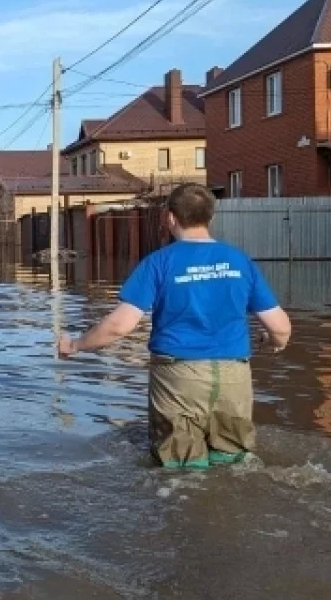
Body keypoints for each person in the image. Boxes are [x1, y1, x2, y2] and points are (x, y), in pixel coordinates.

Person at [58, 183, 292, 469]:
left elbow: (119, 326)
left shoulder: (158, 263)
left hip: (178, 379)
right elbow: (280, 327)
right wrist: (274, 343)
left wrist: (74, 345)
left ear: (170, 218)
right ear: (211, 217)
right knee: (234, 465)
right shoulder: (240, 261)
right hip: (234, 377)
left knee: (182, 470)